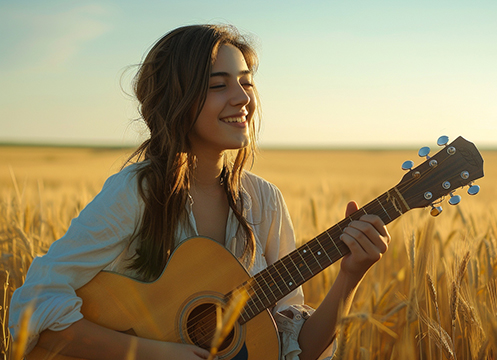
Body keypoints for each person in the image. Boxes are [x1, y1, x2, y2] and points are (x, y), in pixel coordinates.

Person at [8, 24, 391, 360]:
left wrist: (350, 276)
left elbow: (294, 349)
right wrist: (153, 353)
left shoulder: (265, 202)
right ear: (176, 100)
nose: (242, 98)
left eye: (246, 81)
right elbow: (32, 304)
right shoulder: (137, 193)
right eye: (218, 85)